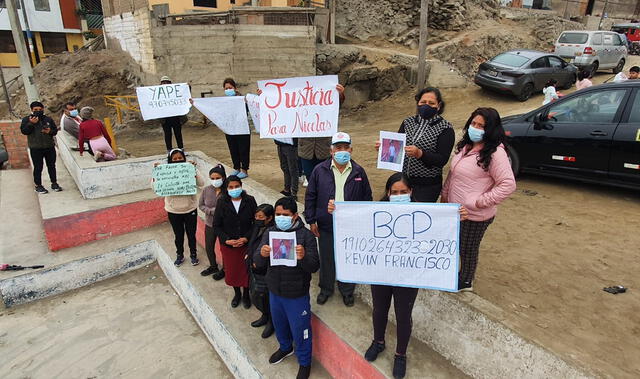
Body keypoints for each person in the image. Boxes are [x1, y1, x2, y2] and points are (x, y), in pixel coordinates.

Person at [342, 172, 467, 379]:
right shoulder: (374, 212)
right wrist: (337, 211)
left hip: (408, 275)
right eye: (394, 192)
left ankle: (400, 354)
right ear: (388, 193)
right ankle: (378, 342)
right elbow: (354, 224)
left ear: (411, 192)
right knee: (379, 310)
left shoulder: (424, 214)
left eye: (403, 192)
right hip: (381, 273)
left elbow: (438, 234)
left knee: (403, 316)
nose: (399, 195)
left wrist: (456, 217)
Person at [441, 108, 516, 292]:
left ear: (490, 129)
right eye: (473, 123)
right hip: (455, 209)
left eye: (481, 125)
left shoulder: (495, 153)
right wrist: (445, 194)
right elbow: (454, 174)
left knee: (468, 248)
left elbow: (508, 184)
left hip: (475, 214)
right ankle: (457, 274)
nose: (475, 128)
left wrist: (478, 201)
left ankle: (466, 281)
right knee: (457, 244)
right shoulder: (466, 146)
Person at [254, 197, 319, 379]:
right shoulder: (269, 232)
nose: (281, 217)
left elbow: (314, 266)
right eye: (278, 214)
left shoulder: (306, 236)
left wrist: (304, 256)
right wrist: (262, 253)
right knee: (280, 325)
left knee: (301, 330)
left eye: (285, 215)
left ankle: (304, 362)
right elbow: (257, 263)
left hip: (297, 295)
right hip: (275, 291)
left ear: (295, 216)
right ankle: (285, 347)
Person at [304, 132, 372, 307]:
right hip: (326, 224)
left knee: (347, 258)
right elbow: (310, 196)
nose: (342, 151)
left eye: (345, 148)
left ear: (351, 149)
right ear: (331, 150)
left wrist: (363, 221)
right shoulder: (320, 170)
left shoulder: (359, 171)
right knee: (326, 258)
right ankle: (326, 289)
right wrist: (311, 220)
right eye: (338, 148)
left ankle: (347, 290)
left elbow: (367, 198)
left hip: (351, 226)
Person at [379, 87, 454, 202]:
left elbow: (442, 160)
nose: (426, 105)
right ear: (418, 103)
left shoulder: (445, 128)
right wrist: (384, 148)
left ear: (438, 105)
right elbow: (398, 147)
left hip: (427, 186)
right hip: (404, 183)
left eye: (431, 103)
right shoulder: (407, 122)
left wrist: (420, 154)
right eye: (423, 102)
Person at [213, 175, 257, 308]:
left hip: (246, 244)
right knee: (232, 271)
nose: (234, 189)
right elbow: (216, 225)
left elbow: (256, 223)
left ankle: (245, 295)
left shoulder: (250, 200)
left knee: (245, 270)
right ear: (226, 188)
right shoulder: (222, 202)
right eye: (231, 187)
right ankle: (237, 293)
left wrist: (246, 238)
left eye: (237, 186)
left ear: (241, 186)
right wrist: (227, 240)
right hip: (229, 246)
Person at [155, 149, 204, 267]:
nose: (177, 160)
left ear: (184, 158)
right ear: (170, 160)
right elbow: (154, 186)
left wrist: (194, 171)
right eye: (174, 159)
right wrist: (156, 173)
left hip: (190, 209)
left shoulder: (189, 169)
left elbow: (201, 183)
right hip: (173, 210)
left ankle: (193, 255)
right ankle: (180, 255)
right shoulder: (165, 172)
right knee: (178, 235)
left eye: (180, 158)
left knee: (191, 234)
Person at [297, 84, 346, 187]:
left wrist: (340, 94)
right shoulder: (299, 102)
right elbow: (283, 107)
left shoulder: (326, 104)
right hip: (306, 149)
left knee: (326, 179)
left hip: (324, 148)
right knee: (311, 179)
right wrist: (265, 96)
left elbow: (337, 104)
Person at [20, 101, 62, 194]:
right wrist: (31, 123)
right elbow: (24, 131)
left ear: (43, 109)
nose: (38, 111)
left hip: (49, 147)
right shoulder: (26, 119)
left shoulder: (48, 119)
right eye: (35, 110)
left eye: (40, 109)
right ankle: (38, 186)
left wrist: (49, 131)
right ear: (31, 110)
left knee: (51, 166)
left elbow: (55, 131)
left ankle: (54, 183)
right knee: (38, 167)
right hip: (36, 148)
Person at [246, 203, 275, 338]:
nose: (257, 218)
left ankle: (271, 321)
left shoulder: (272, 232)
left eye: (261, 217)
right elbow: (252, 242)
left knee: (267, 296)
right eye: (256, 216)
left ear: (269, 218)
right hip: (254, 267)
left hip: (266, 269)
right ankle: (264, 315)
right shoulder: (257, 226)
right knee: (258, 295)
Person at [198, 164, 227, 281]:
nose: (215, 181)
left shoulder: (227, 191)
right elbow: (201, 205)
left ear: (223, 178)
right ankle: (213, 266)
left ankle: (225, 270)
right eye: (213, 178)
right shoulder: (206, 190)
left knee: (224, 248)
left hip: (224, 226)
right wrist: (210, 211)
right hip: (210, 224)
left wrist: (217, 211)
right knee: (209, 247)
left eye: (217, 178)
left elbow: (228, 207)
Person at [222, 78, 251, 179]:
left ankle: (244, 169)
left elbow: (248, 109)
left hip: (242, 128)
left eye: (230, 87)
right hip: (230, 128)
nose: (228, 90)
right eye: (226, 88)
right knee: (233, 148)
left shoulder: (242, 99)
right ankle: (236, 168)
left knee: (243, 148)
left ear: (235, 88)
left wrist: (244, 100)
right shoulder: (223, 101)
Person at [159, 76, 185, 152]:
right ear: (161, 84)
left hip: (176, 117)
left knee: (178, 133)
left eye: (167, 82)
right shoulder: (158, 93)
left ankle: (181, 148)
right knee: (167, 134)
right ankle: (169, 149)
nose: (165, 84)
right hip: (165, 118)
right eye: (163, 82)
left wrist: (187, 86)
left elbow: (184, 93)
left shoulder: (175, 91)